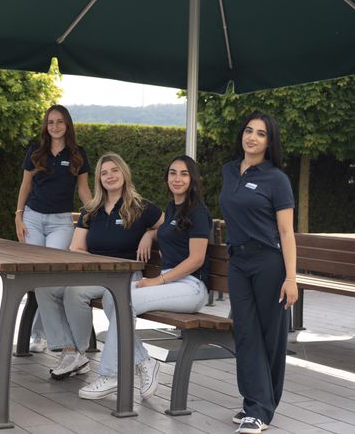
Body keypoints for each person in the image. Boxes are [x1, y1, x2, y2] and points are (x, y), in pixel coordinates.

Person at [79, 155, 211, 401]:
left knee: (124, 301)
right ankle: (144, 361)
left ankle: (111, 374)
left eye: (184, 174)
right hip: (171, 282)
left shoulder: (198, 212)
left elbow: (196, 259)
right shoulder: (172, 208)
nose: (177, 179)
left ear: (193, 179)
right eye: (173, 173)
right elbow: (163, 230)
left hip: (192, 286)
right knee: (111, 297)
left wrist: (158, 281)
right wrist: (149, 234)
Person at [36, 152, 162, 380]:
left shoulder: (142, 207)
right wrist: (97, 264)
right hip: (96, 273)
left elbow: (167, 227)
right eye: (104, 173)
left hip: (125, 275)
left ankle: (79, 352)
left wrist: (150, 234)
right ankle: (70, 350)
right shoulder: (91, 210)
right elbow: (76, 248)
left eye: (114, 170)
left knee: (75, 293)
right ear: (99, 179)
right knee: (45, 288)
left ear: (124, 173)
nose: (109, 176)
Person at [219, 112, 297, 434]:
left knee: (270, 336)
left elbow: (286, 231)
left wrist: (291, 278)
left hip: (268, 262)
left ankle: (260, 409)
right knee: (246, 332)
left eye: (261, 134)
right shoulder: (228, 171)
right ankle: (256, 403)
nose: (252, 137)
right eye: (248, 130)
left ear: (269, 141)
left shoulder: (277, 179)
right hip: (237, 262)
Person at [15, 105, 92, 352]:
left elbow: (83, 189)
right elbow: (25, 185)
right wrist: (18, 216)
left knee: (51, 275)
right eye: (51, 122)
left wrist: (95, 213)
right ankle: (40, 334)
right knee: (38, 275)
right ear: (46, 126)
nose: (55, 126)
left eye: (60, 122)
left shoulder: (78, 154)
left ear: (67, 125)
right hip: (33, 218)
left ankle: (41, 334)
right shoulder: (36, 151)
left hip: (61, 222)